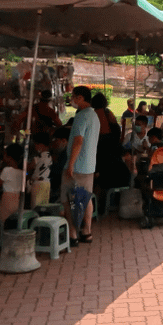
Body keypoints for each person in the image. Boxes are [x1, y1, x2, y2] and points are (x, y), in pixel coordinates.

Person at [62, 85, 100, 245]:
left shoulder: (81, 116)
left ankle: (72, 234)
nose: (71, 100)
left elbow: (78, 141)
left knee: (68, 198)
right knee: (86, 198)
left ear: (80, 98)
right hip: (89, 165)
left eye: (73, 96)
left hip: (77, 165)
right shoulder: (94, 116)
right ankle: (87, 231)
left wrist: (70, 164)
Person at [0, 143, 26, 223]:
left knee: (1, 221)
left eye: (5, 154)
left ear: (9, 157)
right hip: (18, 202)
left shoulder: (6, 170)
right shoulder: (22, 172)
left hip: (7, 202)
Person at [28, 134, 53, 210]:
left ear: (41, 145)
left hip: (38, 184)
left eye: (35, 145)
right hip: (47, 184)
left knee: (36, 206)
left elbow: (28, 168)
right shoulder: (51, 157)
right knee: (44, 206)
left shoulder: (38, 158)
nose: (35, 147)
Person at [48, 126, 71, 208]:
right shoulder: (64, 153)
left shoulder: (66, 154)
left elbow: (58, 171)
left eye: (55, 140)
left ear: (64, 141)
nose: (54, 144)